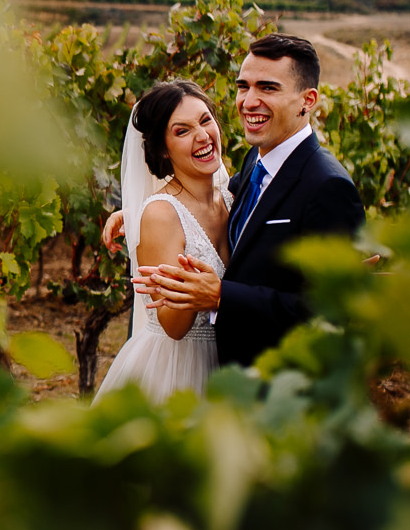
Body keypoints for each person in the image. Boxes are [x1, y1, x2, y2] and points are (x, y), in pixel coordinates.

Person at [132, 34, 365, 367]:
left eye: (268, 88)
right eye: (244, 87)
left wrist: (222, 296)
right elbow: (208, 202)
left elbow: (329, 311)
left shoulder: (328, 187)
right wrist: (137, 213)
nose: (249, 101)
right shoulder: (255, 163)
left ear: (307, 100)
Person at [92, 79, 230, 404]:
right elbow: (173, 327)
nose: (202, 135)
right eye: (182, 131)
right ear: (164, 149)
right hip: (181, 372)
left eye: (205, 120)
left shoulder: (233, 196)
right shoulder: (160, 216)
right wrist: (193, 292)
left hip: (231, 364)